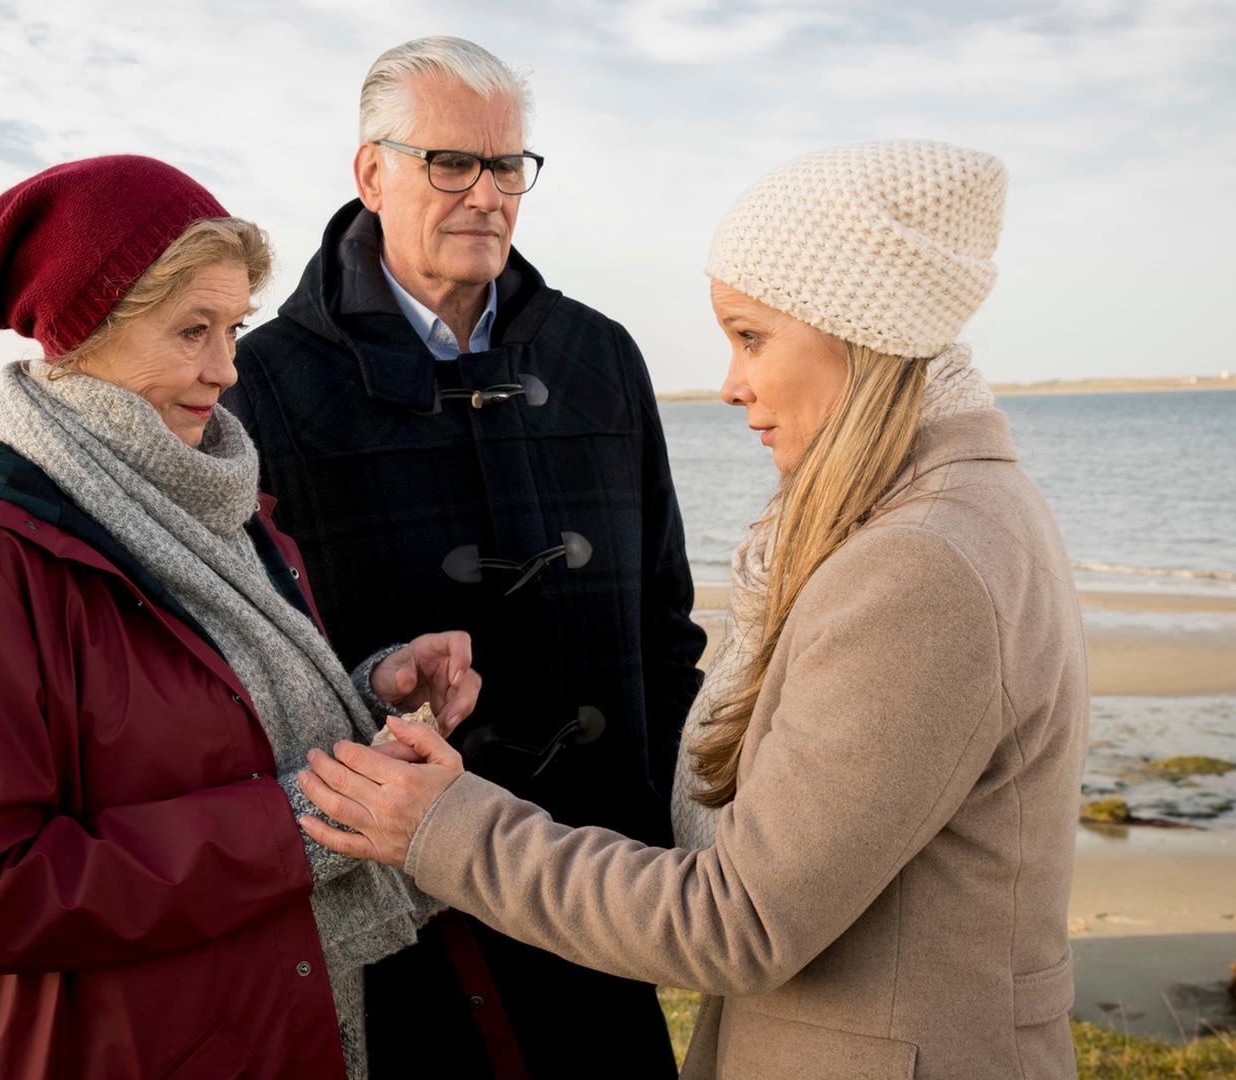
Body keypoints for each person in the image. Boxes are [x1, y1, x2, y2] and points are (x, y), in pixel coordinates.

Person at [296, 141, 1090, 1080]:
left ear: (859, 336)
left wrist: (446, 827)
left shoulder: (916, 567)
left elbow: (740, 921)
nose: (729, 384)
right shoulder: (951, 510)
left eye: (752, 337)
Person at [0, 154, 482, 1080]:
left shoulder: (222, 502)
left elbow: (202, 726)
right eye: (193, 330)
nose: (226, 369)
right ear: (84, 333)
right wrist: (300, 823)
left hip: (277, 1025)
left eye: (234, 327)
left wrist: (367, 690)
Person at [223, 36, 706, 1078]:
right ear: (371, 173)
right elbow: (249, 671)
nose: (486, 194)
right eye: (451, 163)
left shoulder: (599, 355)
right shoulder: (260, 386)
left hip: (602, 883)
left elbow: (665, 621)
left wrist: (668, 826)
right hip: (398, 902)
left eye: (506, 166)